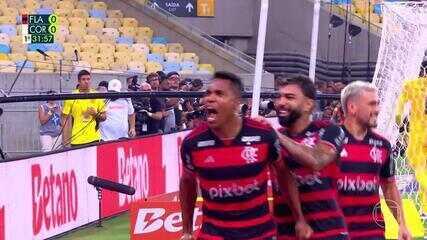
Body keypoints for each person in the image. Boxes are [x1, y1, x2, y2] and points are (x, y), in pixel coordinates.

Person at [179, 71, 312, 240]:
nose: (209, 99)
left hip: (261, 234)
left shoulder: (263, 135)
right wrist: (187, 231)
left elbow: (283, 174)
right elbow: (187, 182)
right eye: (208, 93)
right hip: (213, 235)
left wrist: (299, 218)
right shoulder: (192, 142)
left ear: (236, 102)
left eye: (219, 94)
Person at [270, 76, 349, 239]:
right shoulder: (272, 138)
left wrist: (277, 136)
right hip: (286, 231)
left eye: (289, 97)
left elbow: (317, 161)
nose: (280, 102)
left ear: (308, 104)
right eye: (279, 97)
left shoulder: (329, 130)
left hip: (329, 232)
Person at [338, 81, 411, 240]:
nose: (377, 109)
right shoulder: (329, 142)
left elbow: (389, 186)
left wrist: (402, 224)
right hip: (336, 230)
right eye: (372, 104)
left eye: (377, 104)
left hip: (373, 232)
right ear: (352, 108)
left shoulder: (383, 145)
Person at [396, 61, 427, 216]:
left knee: (420, 169)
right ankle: (425, 209)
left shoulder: (412, 85)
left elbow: (400, 106)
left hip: (418, 135)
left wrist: (398, 119)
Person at [62, 70, 106, 147]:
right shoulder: (71, 96)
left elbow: (104, 117)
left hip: (94, 138)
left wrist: (96, 114)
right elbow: (64, 119)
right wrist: (65, 140)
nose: (86, 81)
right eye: (83, 79)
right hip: (76, 139)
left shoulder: (97, 95)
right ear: (79, 81)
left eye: (88, 79)